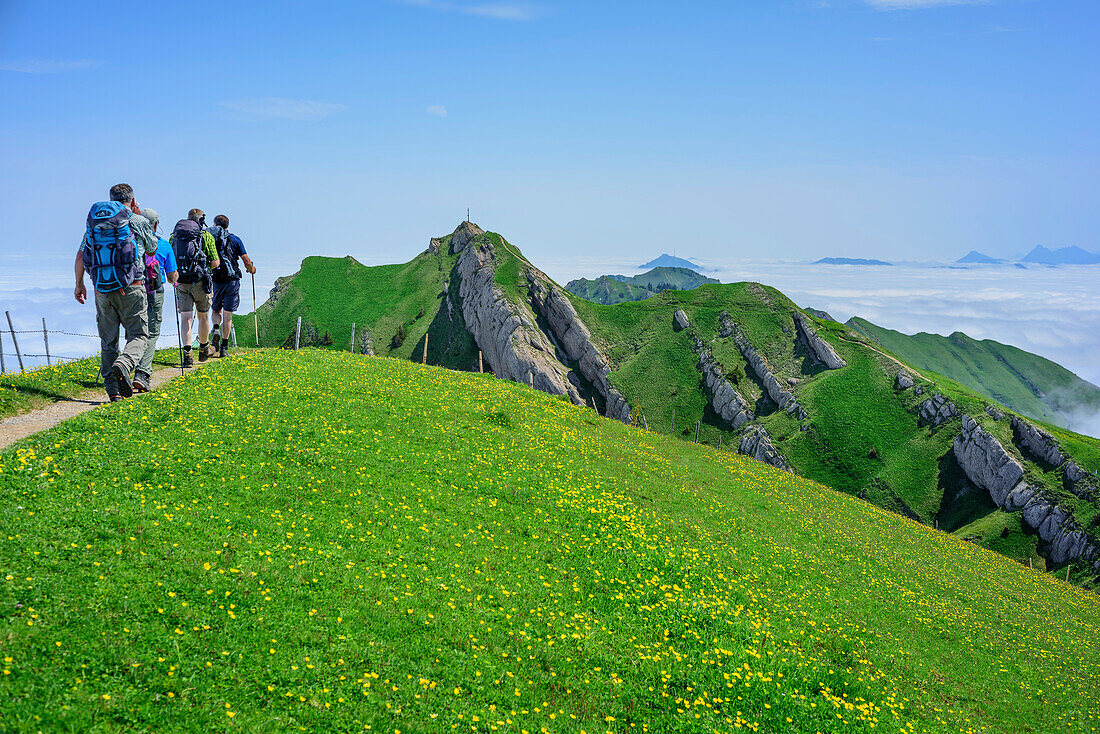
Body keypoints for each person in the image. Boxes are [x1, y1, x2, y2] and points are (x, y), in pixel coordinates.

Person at [74, 183, 158, 401]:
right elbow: (151, 248)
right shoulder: (137, 220)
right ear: (132, 199)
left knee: (108, 341)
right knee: (139, 334)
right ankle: (125, 363)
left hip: (101, 288)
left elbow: (81, 255)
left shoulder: (95, 224)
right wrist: (138, 216)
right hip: (132, 286)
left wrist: (79, 284)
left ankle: (112, 390)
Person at [133, 208, 179, 392]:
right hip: (154, 290)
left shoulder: (131, 242)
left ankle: (124, 366)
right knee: (151, 332)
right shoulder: (163, 245)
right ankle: (142, 373)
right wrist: (175, 278)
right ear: (155, 225)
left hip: (132, 290)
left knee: (135, 331)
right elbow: (171, 277)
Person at [170, 208, 220, 367]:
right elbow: (215, 262)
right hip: (200, 282)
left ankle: (187, 354)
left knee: (186, 318)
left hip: (181, 282)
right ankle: (204, 348)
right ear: (201, 220)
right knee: (203, 316)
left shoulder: (175, 236)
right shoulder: (205, 236)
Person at [207, 214, 256, 358]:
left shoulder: (210, 238)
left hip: (215, 279)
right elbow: (246, 260)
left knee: (216, 309)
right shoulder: (235, 239)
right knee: (228, 315)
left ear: (214, 225)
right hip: (232, 280)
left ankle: (216, 329)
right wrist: (251, 269)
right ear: (227, 225)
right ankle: (224, 348)